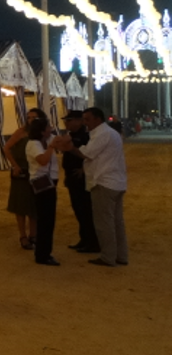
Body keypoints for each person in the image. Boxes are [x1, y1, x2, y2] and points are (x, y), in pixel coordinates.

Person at [53, 106, 128, 267]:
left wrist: (70, 148)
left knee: (104, 223)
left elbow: (87, 154)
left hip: (104, 182)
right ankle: (120, 255)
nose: (85, 123)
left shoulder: (102, 134)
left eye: (87, 119)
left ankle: (108, 256)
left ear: (97, 119)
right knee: (116, 222)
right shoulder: (109, 133)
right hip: (115, 182)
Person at [4, 108, 44, 249]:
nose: (31, 120)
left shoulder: (41, 133)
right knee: (20, 205)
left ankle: (33, 234)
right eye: (28, 117)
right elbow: (6, 148)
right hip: (21, 172)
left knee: (34, 204)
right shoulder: (21, 132)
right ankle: (23, 236)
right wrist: (14, 165)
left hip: (36, 171)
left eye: (34, 117)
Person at [61, 111, 99, 254]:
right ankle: (84, 239)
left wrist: (84, 170)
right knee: (78, 210)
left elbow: (92, 156)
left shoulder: (87, 136)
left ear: (79, 121)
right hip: (72, 176)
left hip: (82, 178)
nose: (67, 123)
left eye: (69, 120)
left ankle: (92, 242)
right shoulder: (71, 135)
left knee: (86, 211)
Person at [25, 117, 60, 266]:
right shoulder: (33, 144)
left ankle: (44, 252)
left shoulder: (44, 140)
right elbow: (43, 160)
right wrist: (51, 146)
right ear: (42, 131)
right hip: (42, 183)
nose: (51, 128)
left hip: (48, 182)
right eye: (48, 127)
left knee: (48, 219)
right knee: (46, 220)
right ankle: (42, 254)